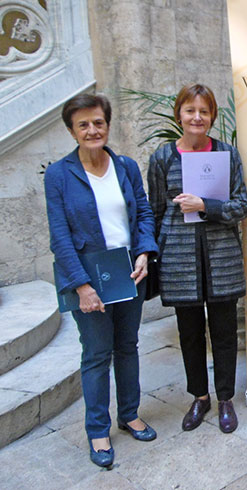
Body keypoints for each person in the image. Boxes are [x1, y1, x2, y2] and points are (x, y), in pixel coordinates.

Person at [44, 94, 158, 468]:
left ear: (107, 125)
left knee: (127, 346)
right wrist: (81, 286)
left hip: (129, 272)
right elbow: (59, 235)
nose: (92, 130)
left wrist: (144, 252)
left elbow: (142, 212)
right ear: (72, 130)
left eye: (98, 122)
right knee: (96, 355)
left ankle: (129, 414)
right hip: (88, 279)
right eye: (83, 124)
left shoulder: (124, 166)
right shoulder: (60, 174)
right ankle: (97, 428)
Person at [148, 83, 247, 434]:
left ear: (212, 117)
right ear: (179, 114)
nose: (196, 117)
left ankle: (225, 399)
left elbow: (242, 206)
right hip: (180, 260)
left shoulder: (226, 154)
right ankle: (200, 397)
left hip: (221, 258)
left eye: (204, 111)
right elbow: (155, 211)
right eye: (190, 110)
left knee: (223, 333)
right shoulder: (163, 158)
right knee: (189, 333)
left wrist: (206, 206)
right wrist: (155, 252)